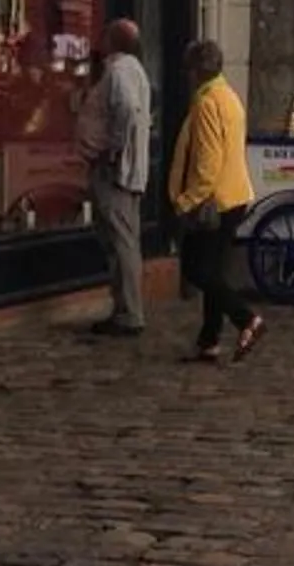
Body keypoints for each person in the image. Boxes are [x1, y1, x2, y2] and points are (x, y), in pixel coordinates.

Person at [165, 39, 261, 365]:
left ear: (196, 71)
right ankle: (209, 340)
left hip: (214, 201)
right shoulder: (229, 97)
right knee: (214, 270)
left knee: (197, 267)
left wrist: (186, 201)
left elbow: (207, 164)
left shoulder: (207, 103)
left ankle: (245, 318)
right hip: (235, 195)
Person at [77, 19, 152, 339]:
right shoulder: (131, 70)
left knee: (121, 242)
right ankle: (125, 308)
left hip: (117, 172)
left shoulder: (121, 71)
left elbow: (127, 111)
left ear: (113, 41)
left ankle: (128, 313)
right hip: (125, 169)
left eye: (105, 36)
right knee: (123, 241)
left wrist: (112, 151)